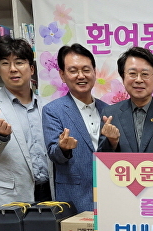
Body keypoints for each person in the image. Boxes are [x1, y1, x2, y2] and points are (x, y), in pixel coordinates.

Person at [0, 35, 53, 209]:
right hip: (11, 198)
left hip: (50, 194)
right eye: (5, 63)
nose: (13, 69)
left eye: (19, 62)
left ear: (31, 68)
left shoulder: (49, 107)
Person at [42, 43, 109, 212]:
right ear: (62, 75)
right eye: (73, 71)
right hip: (74, 198)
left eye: (86, 70)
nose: (81, 76)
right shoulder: (53, 110)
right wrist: (63, 148)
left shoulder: (108, 109)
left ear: (94, 72)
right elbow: (53, 153)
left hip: (109, 196)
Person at [98, 46, 153, 153]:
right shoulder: (110, 114)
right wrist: (112, 142)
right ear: (123, 78)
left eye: (145, 74)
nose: (139, 80)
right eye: (132, 74)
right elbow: (101, 159)